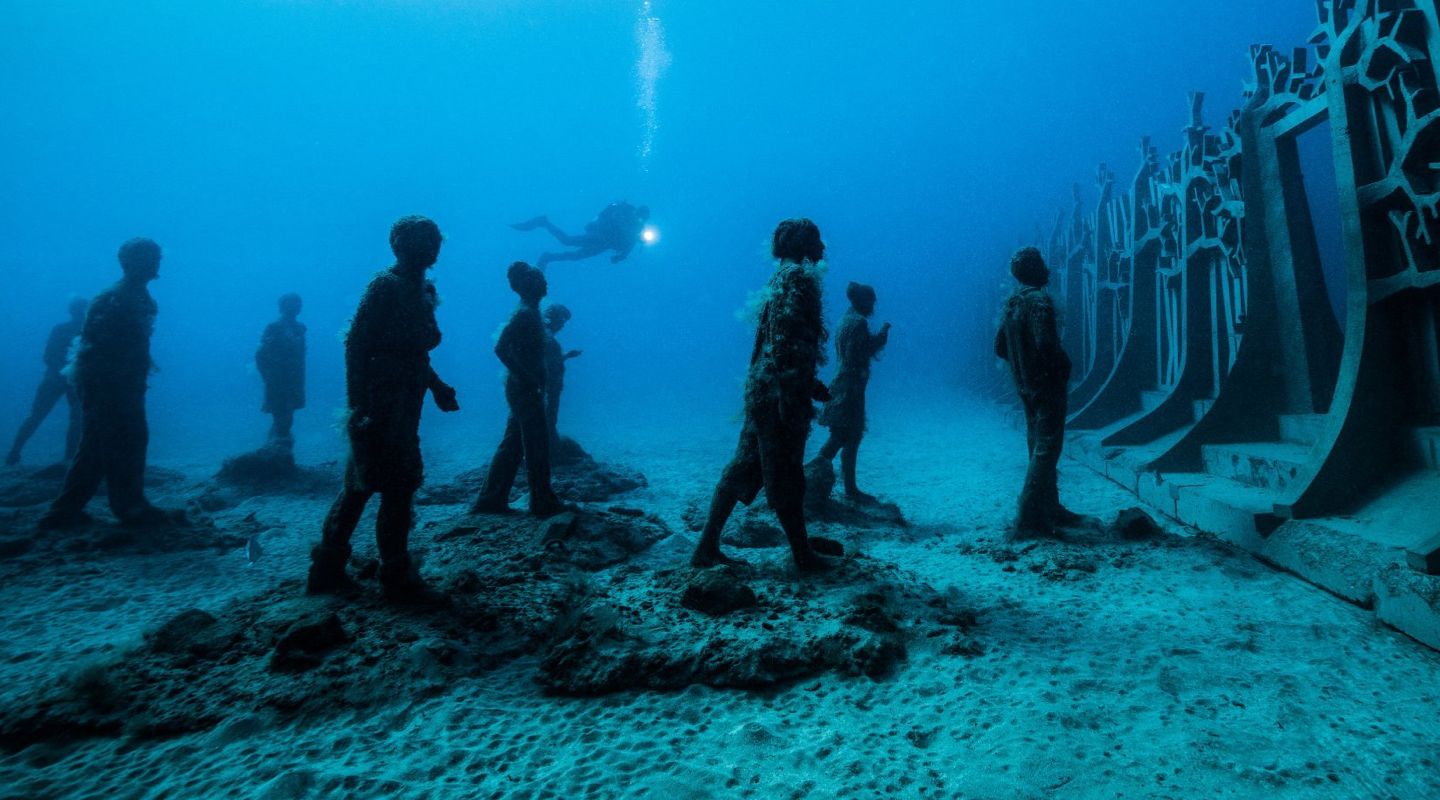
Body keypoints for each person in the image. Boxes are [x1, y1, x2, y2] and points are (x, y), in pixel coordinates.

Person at [306, 216, 460, 603]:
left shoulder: (421, 289)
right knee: (373, 483)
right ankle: (379, 571)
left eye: (435, 238)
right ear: (400, 245)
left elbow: (417, 353)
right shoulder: (385, 287)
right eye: (424, 239)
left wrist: (438, 387)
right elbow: (356, 345)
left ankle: (366, 567)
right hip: (381, 403)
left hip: (407, 401)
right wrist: (358, 407)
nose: (433, 245)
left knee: (389, 484)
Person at [691, 218, 836, 572]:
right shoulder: (798, 279)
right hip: (778, 394)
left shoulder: (780, 277)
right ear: (802, 243)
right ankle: (802, 556)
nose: (823, 247)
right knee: (786, 472)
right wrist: (793, 395)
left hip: (764, 390)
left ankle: (706, 547)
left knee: (744, 466)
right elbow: (786, 344)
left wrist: (806, 383)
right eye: (816, 239)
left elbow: (777, 342)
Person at [38, 239, 178, 529]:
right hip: (110, 385)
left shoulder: (136, 296)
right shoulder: (117, 297)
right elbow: (97, 350)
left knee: (99, 444)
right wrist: (113, 388)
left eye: (157, 258)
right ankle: (128, 506)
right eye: (151, 258)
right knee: (125, 440)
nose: (157, 263)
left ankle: (67, 510)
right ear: (133, 262)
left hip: (120, 383)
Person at [993, 246, 1083, 540]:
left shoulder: (1012, 303)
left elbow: (999, 347)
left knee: (1036, 444)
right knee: (1047, 448)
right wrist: (1062, 366)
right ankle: (1029, 517)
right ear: (1034, 269)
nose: (1047, 269)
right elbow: (1047, 344)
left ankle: (1050, 507)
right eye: (1042, 264)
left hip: (1025, 386)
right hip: (1047, 385)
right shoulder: (1038, 301)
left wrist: (1023, 368)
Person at [472, 262, 565, 517]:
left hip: (524, 387)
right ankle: (541, 501)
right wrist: (527, 378)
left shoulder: (530, 312)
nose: (545, 284)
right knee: (536, 443)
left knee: (513, 443)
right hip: (524, 389)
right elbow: (500, 348)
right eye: (540, 279)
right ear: (527, 285)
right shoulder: (524, 313)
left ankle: (491, 499)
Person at [811, 281, 891, 502]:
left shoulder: (845, 320)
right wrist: (882, 336)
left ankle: (847, 486)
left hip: (845, 384)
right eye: (871, 302)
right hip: (850, 388)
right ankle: (814, 479)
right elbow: (861, 353)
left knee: (850, 436)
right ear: (862, 301)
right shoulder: (858, 323)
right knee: (842, 436)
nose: (873, 306)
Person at [6, 297, 87, 466]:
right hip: (68, 379)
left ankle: (15, 453)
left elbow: (49, 356)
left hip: (58, 378)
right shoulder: (86, 330)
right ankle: (68, 458)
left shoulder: (65, 329)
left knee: (39, 416)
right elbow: (50, 356)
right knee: (74, 418)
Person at [511, 201, 650, 268]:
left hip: (604, 245)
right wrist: (631, 234)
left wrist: (620, 257)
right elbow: (616, 222)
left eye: (642, 218)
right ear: (636, 211)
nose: (638, 219)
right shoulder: (624, 211)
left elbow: (628, 247)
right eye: (638, 215)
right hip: (599, 235)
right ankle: (544, 222)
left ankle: (548, 257)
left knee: (576, 256)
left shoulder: (637, 228)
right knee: (567, 241)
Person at [255, 293, 306, 449]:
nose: (297, 306)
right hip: (278, 380)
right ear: (283, 307)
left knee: (287, 415)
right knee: (281, 416)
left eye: (299, 303)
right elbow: (261, 355)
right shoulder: (274, 327)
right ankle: (277, 451)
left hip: (294, 379)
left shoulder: (300, 328)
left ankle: (275, 450)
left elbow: (301, 355)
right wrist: (268, 377)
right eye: (293, 303)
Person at [542, 304, 582, 450]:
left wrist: (565, 356)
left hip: (551, 387)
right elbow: (543, 364)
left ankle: (550, 449)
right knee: (549, 419)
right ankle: (550, 452)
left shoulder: (546, 337)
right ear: (552, 319)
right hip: (548, 388)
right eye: (561, 321)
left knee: (550, 419)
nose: (562, 325)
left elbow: (550, 363)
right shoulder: (545, 338)